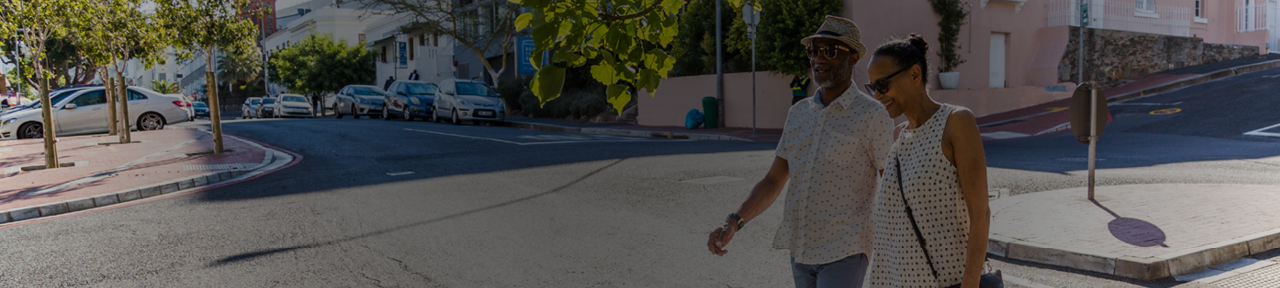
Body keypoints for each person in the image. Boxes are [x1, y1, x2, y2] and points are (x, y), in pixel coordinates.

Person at [706, 16, 894, 288]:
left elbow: (890, 184)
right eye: (813, 51)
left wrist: (896, 250)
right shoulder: (798, 114)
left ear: (852, 57)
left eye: (829, 51)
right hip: (801, 249)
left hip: (845, 250)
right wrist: (734, 222)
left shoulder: (872, 114)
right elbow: (773, 180)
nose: (818, 59)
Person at [864, 34, 991, 288]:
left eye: (882, 85)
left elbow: (980, 214)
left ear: (914, 75)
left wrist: (971, 283)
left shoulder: (956, 122)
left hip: (947, 280)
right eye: (872, 88)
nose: (877, 95)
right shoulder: (898, 136)